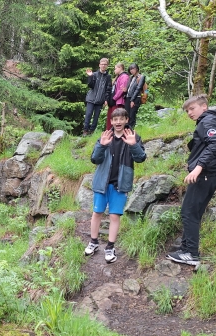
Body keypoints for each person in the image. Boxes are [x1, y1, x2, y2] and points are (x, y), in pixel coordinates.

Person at [166, 95, 216, 265]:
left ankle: (191, 254)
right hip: (213, 173)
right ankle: (185, 249)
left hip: (206, 173)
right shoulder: (215, 121)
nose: (189, 113)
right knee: (194, 211)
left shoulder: (207, 122)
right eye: (187, 111)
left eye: (192, 109)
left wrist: (198, 168)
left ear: (204, 107)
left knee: (189, 212)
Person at [84, 108, 146, 263]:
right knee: (97, 212)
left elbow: (141, 158)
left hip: (121, 183)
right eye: (115, 119)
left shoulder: (133, 136)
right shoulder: (105, 136)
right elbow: (94, 159)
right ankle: (93, 242)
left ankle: (110, 247)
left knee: (114, 215)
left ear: (126, 120)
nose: (118, 122)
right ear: (111, 121)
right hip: (102, 182)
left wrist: (133, 145)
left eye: (121, 119)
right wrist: (102, 146)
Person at [83, 58, 112, 137]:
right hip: (91, 98)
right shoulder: (95, 74)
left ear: (107, 66)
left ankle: (91, 132)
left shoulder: (108, 77)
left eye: (105, 64)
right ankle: (85, 130)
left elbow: (108, 89)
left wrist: (106, 99)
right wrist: (90, 77)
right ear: (99, 65)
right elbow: (90, 85)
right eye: (102, 64)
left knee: (96, 117)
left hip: (100, 100)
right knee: (88, 114)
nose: (103, 65)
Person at [106, 63, 130, 130]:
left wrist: (114, 98)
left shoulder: (124, 76)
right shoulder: (118, 77)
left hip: (118, 102)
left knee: (116, 117)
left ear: (120, 68)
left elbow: (121, 90)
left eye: (115, 68)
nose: (114, 70)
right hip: (112, 102)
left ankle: (115, 133)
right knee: (110, 118)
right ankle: (109, 133)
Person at [124, 63, 145, 129]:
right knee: (126, 115)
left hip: (135, 98)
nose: (131, 71)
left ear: (137, 69)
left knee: (132, 114)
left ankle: (131, 130)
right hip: (128, 97)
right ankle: (126, 130)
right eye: (130, 69)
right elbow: (128, 88)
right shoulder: (131, 77)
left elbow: (138, 89)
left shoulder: (141, 77)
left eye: (133, 69)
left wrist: (132, 100)